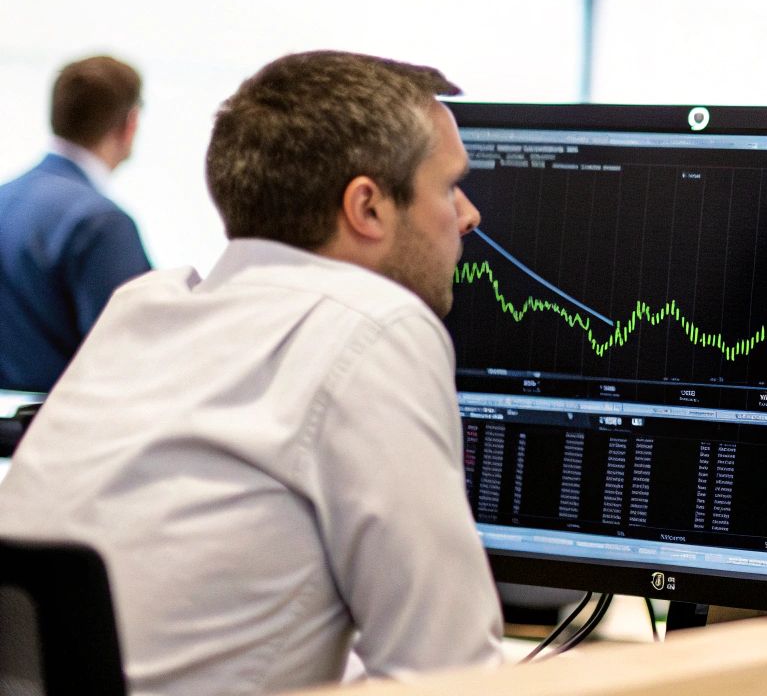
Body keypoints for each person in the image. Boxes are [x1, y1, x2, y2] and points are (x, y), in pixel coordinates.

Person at [0, 51, 504, 695]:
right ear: (367, 207)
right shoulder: (373, 324)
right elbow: (449, 675)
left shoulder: (143, 310)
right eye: (448, 185)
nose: (467, 215)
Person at [0, 55, 153, 391]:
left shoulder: (5, 199)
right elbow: (129, 358)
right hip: (60, 435)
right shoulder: (101, 223)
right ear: (130, 123)